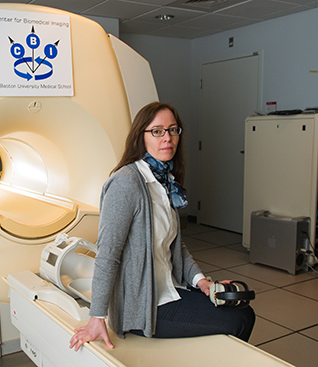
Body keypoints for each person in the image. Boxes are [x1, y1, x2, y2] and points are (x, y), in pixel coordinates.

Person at [69, 102, 255, 351]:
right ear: (140, 137)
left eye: (173, 130)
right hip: (143, 307)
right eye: (157, 131)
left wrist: (202, 283)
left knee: (242, 308)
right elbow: (108, 254)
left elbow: (176, 245)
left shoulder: (166, 181)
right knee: (240, 320)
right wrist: (97, 317)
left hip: (170, 290)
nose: (167, 138)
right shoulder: (126, 184)